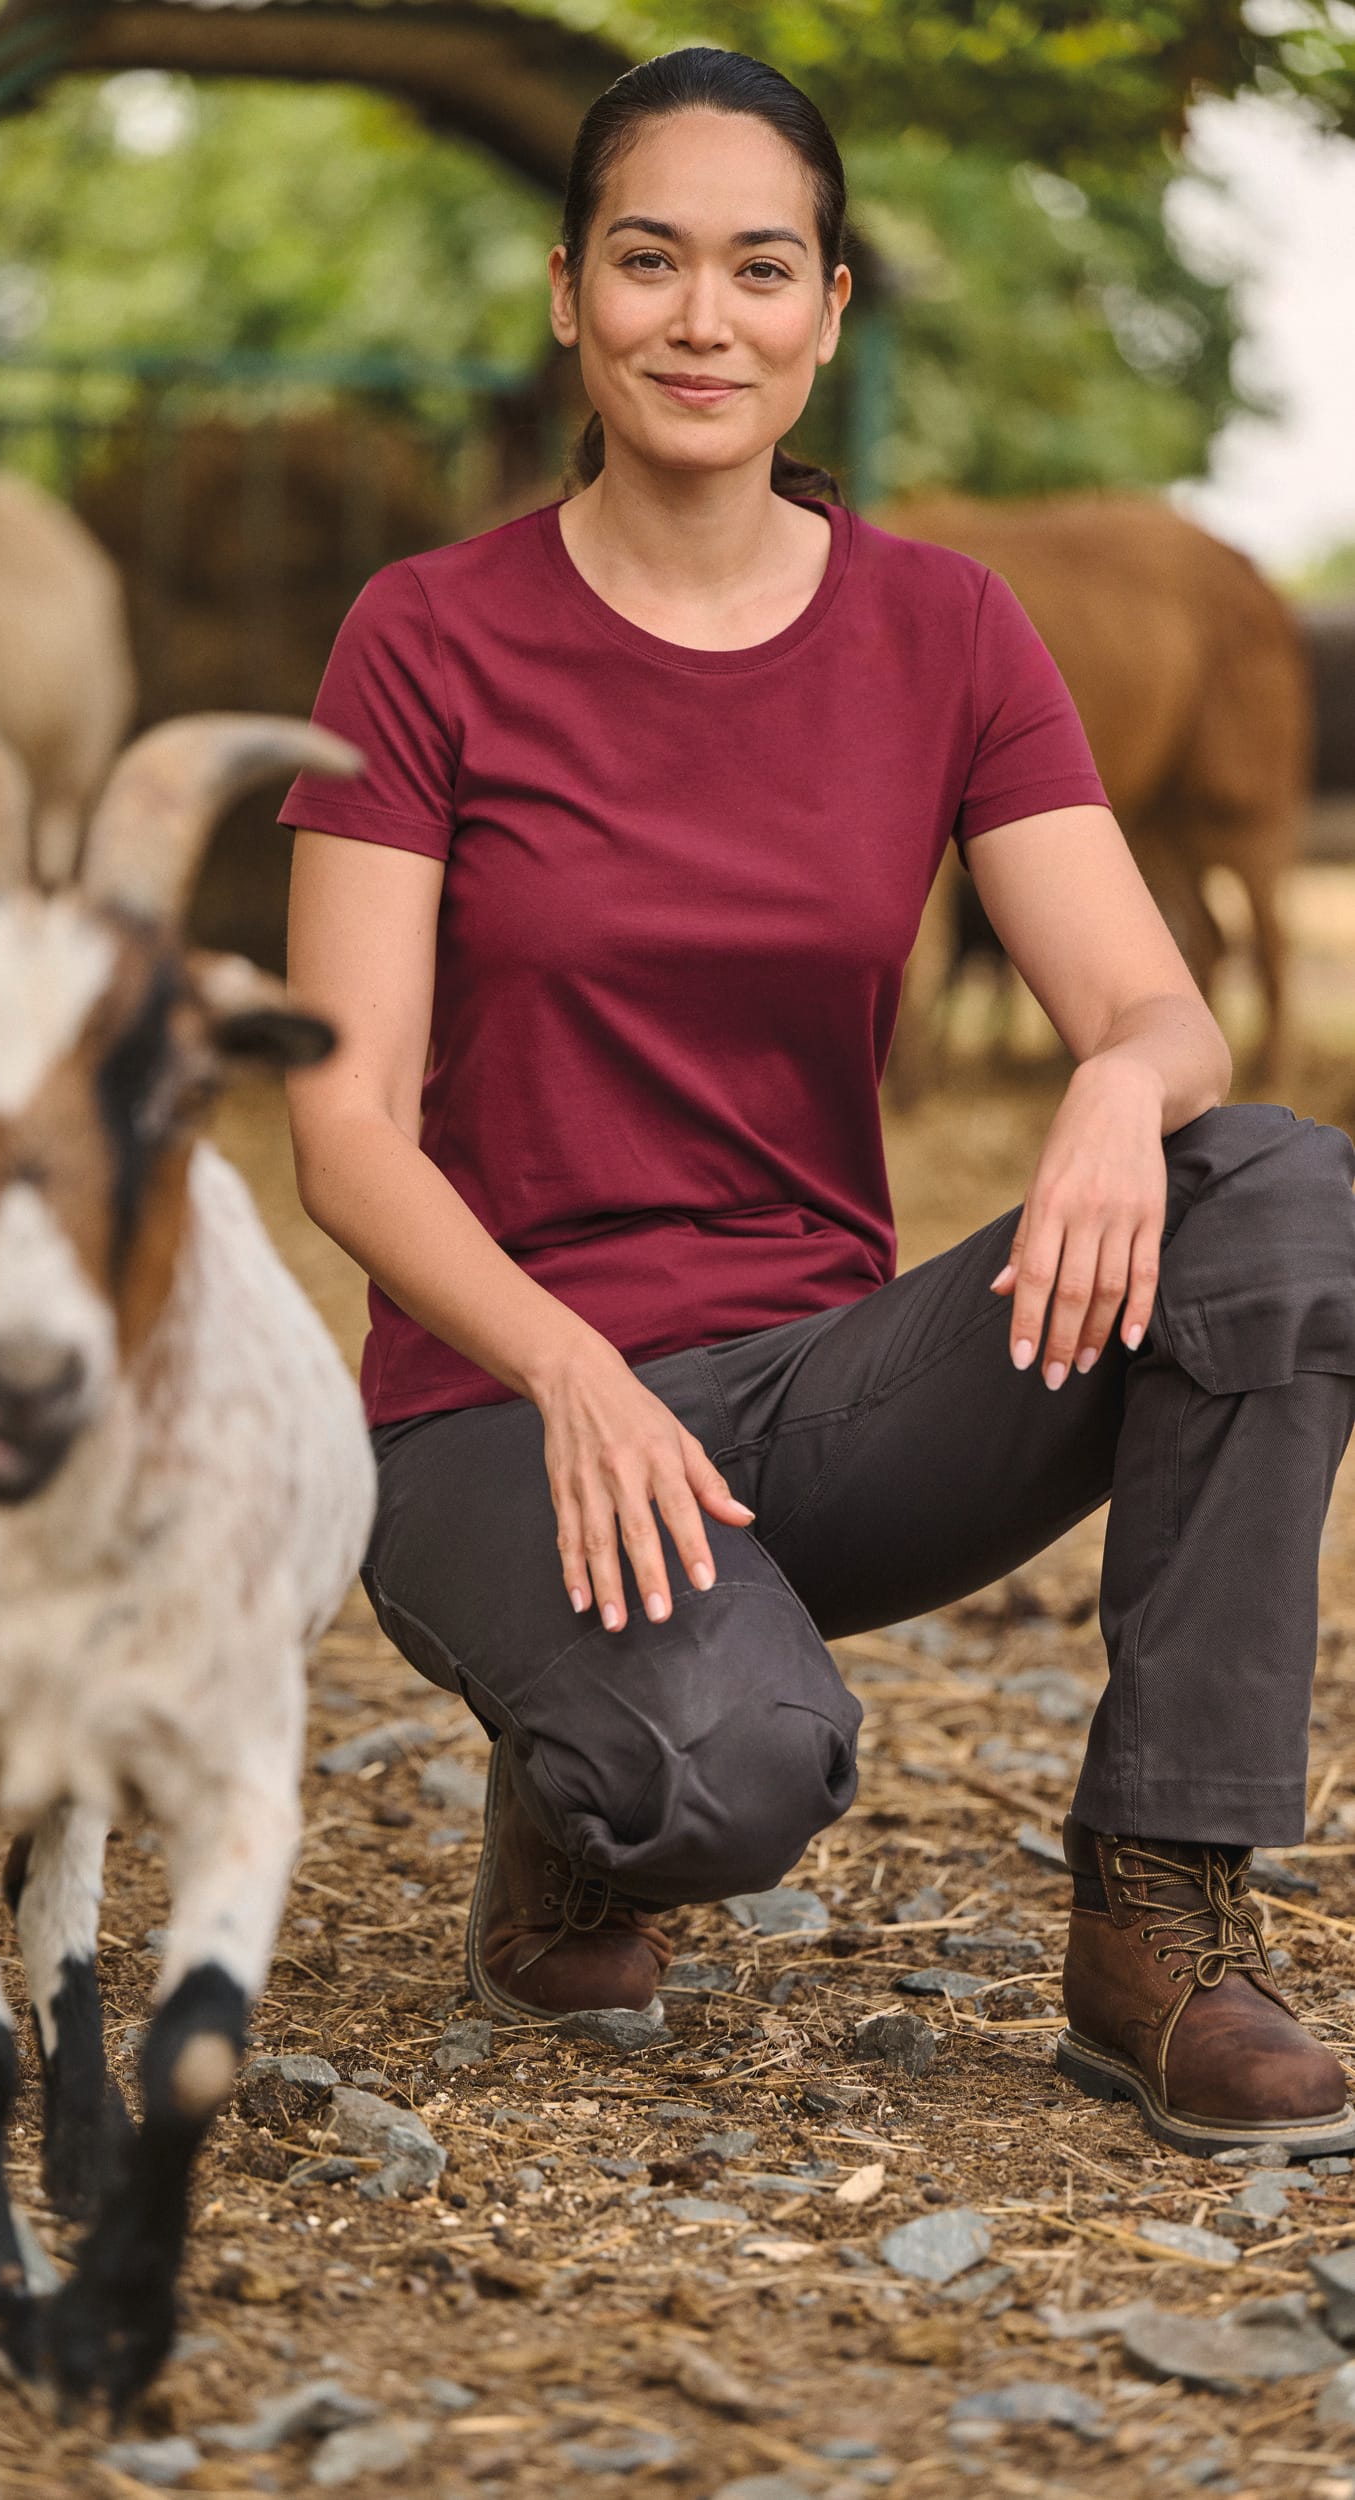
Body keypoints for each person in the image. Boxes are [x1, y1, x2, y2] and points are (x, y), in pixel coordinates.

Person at [278, 46, 1355, 2158]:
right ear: (569, 294)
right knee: (728, 1775)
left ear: (829, 310)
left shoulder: (946, 626)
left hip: (825, 1394)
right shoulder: (424, 637)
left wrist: (1121, 1083)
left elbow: (1155, 1003)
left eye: (761, 268)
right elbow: (343, 1125)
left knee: (1278, 1194)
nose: (706, 318)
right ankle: (577, 1800)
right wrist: (568, 1368)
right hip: (503, 1412)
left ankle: (1158, 1912)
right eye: (650, 260)